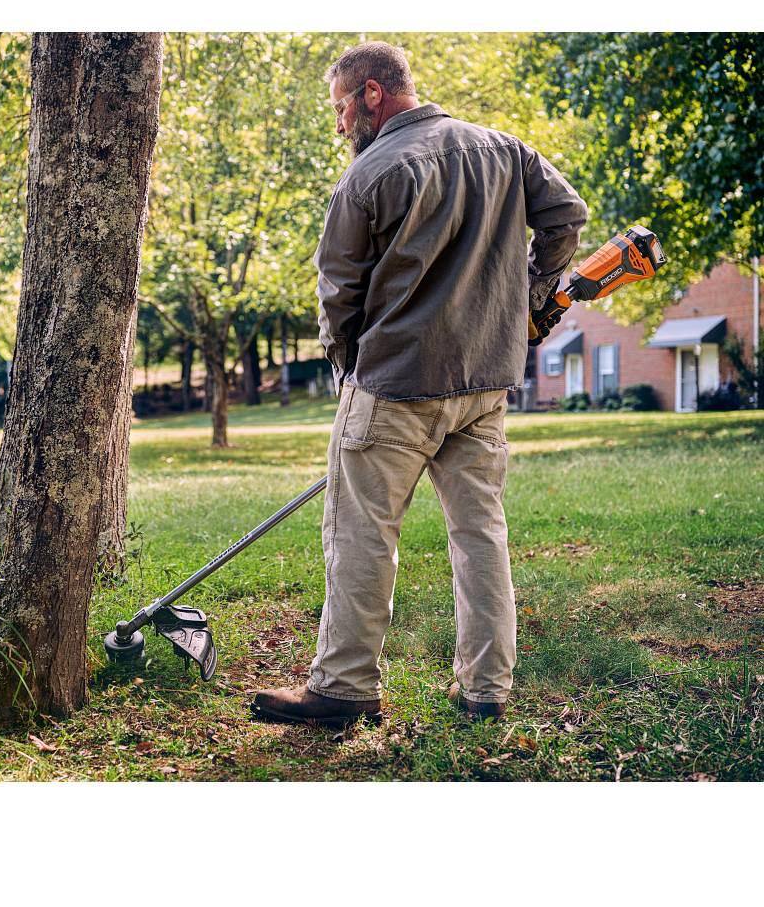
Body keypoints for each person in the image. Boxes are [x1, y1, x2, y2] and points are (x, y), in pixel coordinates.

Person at [251, 41, 588, 727]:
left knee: (362, 536)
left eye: (342, 107)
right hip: (485, 384)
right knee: (479, 535)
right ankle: (485, 692)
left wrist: (350, 369)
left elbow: (339, 293)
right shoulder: (505, 150)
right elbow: (567, 215)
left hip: (394, 384)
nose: (341, 125)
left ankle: (343, 691)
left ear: (372, 94)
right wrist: (528, 297)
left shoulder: (369, 175)